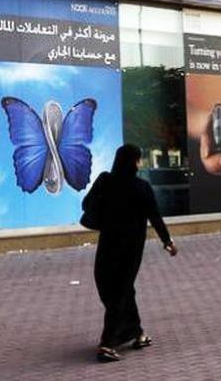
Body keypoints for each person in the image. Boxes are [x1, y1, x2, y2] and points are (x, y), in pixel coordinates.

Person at [83, 144, 178, 363]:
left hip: (108, 245)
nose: (140, 163)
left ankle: (113, 340)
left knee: (113, 289)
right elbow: (155, 217)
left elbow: (86, 204)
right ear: (133, 162)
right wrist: (168, 242)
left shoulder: (105, 181)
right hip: (130, 249)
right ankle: (130, 335)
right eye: (138, 159)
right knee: (122, 291)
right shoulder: (141, 187)